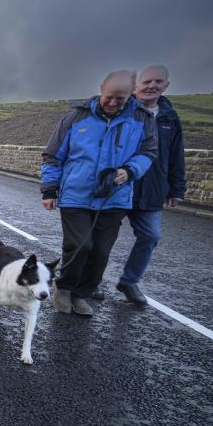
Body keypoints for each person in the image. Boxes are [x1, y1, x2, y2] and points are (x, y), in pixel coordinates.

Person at [41, 70, 158, 316]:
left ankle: (82, 294)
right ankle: (64, 287)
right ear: (101, 89)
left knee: (101, 251)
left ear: (131, 94)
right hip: (76, 194)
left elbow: (148, 153)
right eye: (109, 97)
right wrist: (49, 189)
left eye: (121, 98)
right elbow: (53, 155)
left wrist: (129, 170)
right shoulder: (76, 117)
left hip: (113, 196)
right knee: (80, 244)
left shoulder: (142, 119)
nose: (114, 103)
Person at [115, 65, 186, 305]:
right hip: (119, 185)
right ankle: (89, 282)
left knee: (151, 235)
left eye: (158, 82)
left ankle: (129, 281)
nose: (151, 86)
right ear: (135, 87)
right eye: (146, 82)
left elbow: (176, 154)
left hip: (153, 188)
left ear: (166, 85)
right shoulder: (122, 110)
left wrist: (177, 187)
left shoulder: (169, 118)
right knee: (101, 237)